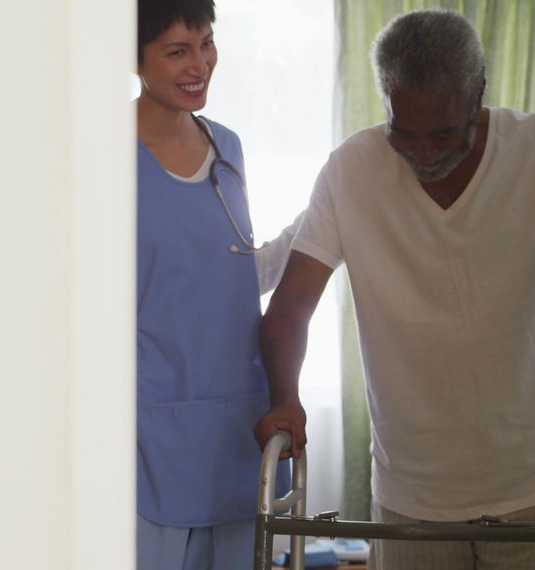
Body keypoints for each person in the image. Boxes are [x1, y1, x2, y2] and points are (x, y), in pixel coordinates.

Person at [252, 10, 535, 570]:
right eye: (404, 134)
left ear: (479, 91)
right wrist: (285, 394)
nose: (424, 154)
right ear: (384, 99)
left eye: (443, 134)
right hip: (410, 496)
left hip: (532, 482)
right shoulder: (350, 170)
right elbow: (290, 306)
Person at [135, 0, 297, 568]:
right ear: (135, 59)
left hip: (234, 430)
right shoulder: (103, 155)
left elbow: (231, 279)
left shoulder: (227, 149)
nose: (198, 64)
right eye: (177, 51)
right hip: (149, 436)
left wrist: (320, 221)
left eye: (206, 43)